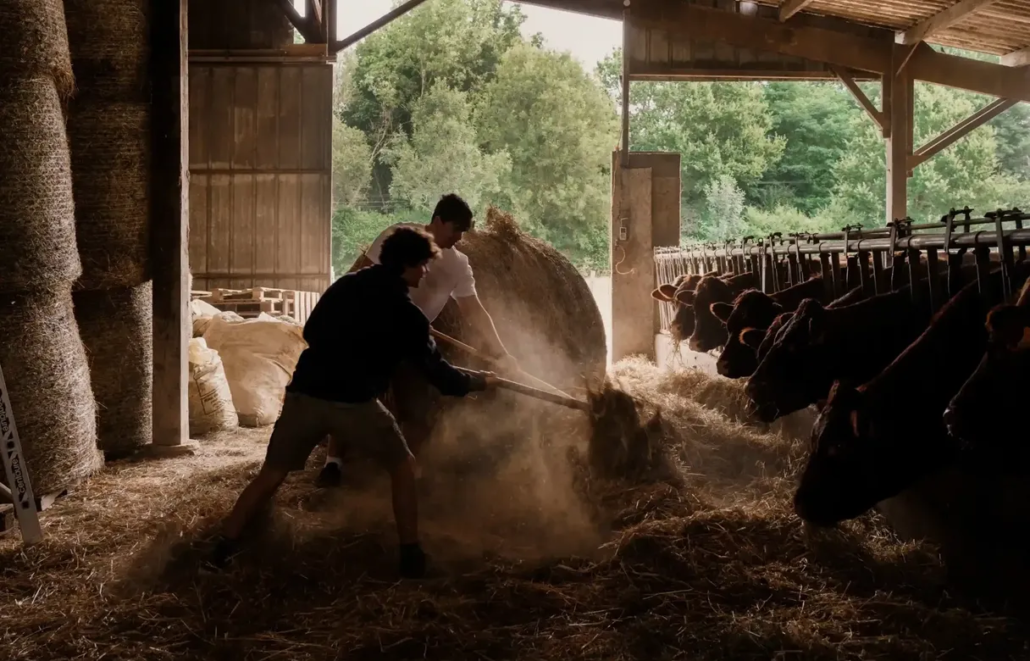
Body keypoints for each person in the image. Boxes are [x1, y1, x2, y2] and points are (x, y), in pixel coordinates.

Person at [209, 226, 496, 578]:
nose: (425, 272)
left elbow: (311, 331)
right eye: (422, 265)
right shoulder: (409, 317)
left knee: (271, 474)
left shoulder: (346, 285)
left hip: (305, 396)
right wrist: (480, 382)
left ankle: (222, 546)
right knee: (403, 466)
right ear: (406, 265)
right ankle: (411, 555)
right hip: (354, 404)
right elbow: (440, 376)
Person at [316, 193, 518, 489]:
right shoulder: (396, 237)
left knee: (417, 410)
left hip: (412, 341)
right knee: (353, 395)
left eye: (464, 232)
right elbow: (365, 278)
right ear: (438, 221)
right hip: (373, 334)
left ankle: (408, 469)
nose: (459, 238)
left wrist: (502, 352)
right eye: (455, 229)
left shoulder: (459, 264)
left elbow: (474, 310)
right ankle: (333, 463)